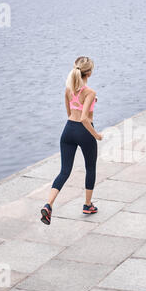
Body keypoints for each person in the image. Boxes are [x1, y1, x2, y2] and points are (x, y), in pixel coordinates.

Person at [41, 56, 103, 225]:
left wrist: (89, 106)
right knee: (90, 168)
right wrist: (96, 135)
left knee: (64, 171)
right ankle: (87, 205)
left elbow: (70, 113)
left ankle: (48, 205)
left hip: (68, 130)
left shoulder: (68, 89)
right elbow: (85, 118)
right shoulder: (90, 92)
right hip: (84, 132)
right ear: (89, 73)